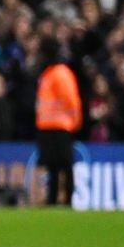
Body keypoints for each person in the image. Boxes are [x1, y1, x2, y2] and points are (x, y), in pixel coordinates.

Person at [34, 47, 82, 207]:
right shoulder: (48, 74)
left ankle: (68, 200)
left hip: (61, 126)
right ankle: (52, 200)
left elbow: (71, 100)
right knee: (52, 166)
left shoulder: (60, 73)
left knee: (65, 165)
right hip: (47, 126)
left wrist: (75, 121)